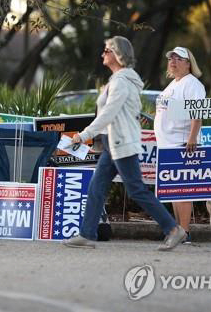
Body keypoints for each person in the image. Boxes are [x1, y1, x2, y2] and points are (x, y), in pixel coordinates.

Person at [63, 36, 186, 251]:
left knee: (136, 190)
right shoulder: (120, 80)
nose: (103, 54)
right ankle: (87, 234)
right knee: (96, 187)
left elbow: (109, 113)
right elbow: (121, 113)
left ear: (118, 55)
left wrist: (84, 135)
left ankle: (174, 230)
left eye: (107, 50)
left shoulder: (121, 81)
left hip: (122, 143)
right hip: (114, 143)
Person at [154, 46, 206, 244]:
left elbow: (197, 113)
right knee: (175, 190)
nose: (173, 62)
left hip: (181, 143)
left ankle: (184, 231)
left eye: (178, 58)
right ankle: (178, 230)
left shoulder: (192, 84)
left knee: (182, 189)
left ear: (188, 63)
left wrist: (192, 138)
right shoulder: (173, 84)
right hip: (168, 144)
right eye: (171, 58)